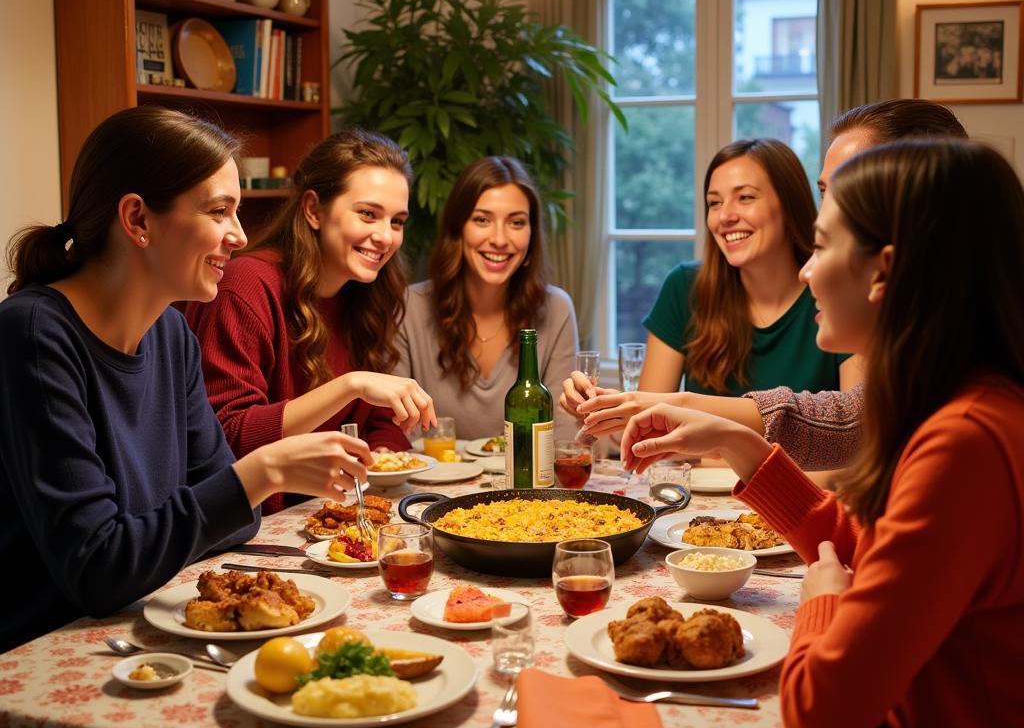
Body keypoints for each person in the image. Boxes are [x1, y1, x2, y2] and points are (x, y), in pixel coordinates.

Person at [619, 139, 1024, 728]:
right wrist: (746, 451)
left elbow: (822, 718)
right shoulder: (968, 403)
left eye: (822, 245)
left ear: (883, 272)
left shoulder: (964, 443)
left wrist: (823, 598)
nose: (807, 271)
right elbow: (872, 550)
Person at [0, 107, 371, 653]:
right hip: (46, 652)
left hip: (139, 630)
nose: (240, 237)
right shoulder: (34, 334)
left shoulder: (170, 333)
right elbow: (97, 569)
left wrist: (241, 486)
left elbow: (230, 521)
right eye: (219, 211)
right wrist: (260, 472)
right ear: (137, 220)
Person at [563, 100, 968, 469]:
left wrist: (701, 425)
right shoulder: (921, 358)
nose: (725, 216)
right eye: (714, 202)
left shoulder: (965, 402)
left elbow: (845, 440)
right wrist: (640, 412)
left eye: (746, 198)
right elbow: (842, 421)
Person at [187, 129, 435, 512]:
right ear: (314, 210)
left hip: (329, 515)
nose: (385, 236)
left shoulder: (366, 293)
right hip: (247, 527)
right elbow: (229, 436)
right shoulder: (247, 285)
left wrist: (384, 456)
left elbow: (382, 423)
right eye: (368, 214)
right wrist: (350, 386)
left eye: (397, 221)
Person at [392, 156, 578, 441]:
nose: (500, 239)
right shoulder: (409, 307)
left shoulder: (556, 309)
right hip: (433, 483)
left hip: (529, 484)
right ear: (458, 229)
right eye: (482, 220)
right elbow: (395, 436)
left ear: (531, 235)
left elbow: (563, 438)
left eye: (516, 222)